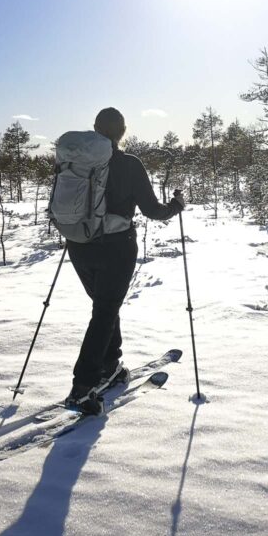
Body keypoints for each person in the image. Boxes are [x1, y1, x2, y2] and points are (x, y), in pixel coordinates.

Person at [65, 107, 184, 413]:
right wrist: (176, 206)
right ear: (122, 131)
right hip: (116, 247)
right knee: (105, 312)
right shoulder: (129, 164)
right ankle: (83, 386)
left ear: (94, 128)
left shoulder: (74, 162)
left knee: (105, 305)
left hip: (79, 244)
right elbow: (152, 211)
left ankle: (110, 366)